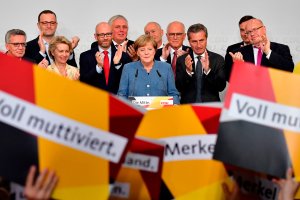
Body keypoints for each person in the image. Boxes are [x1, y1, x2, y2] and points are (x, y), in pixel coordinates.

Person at [117, 34, 180, 104]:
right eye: (142, 50)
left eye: (150, 49)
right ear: (137, 52)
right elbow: (122, 95)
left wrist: (175, 104)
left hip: (161, 112)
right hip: (136, 113)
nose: (146, 53)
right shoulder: (128, 68)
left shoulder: (166, 68)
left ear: (155, 51)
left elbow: (173, 93)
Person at [226, 18, 294, 81]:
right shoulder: (238, 53)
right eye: (248, 32)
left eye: (255, 29)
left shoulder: (281, 48)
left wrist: (268, 52)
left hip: (273, 92)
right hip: (248, 92)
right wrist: (239, 67)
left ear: (264, 29)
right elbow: (230, 80)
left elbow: (289, 69)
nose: (252, 34)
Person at [175, 23, 226, 104]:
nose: (198, 45)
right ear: (189, 42)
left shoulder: (218, 59)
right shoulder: (182, 60)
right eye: (194, 41)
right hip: (188, 109)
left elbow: (221, 87)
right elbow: (179, 88)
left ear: (206, 39)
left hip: (211, 109)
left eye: (201, 40)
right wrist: (188, 71)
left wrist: (208, 70)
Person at [80, 22, 131, 94]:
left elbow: (128, 82)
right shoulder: (85, 56)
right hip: (94, 100)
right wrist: (98, 67)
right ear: (95, 36)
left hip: (117, 101)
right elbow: (83, 82)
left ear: (112, 35)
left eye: (108, 34)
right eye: (101, 35)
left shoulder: (124, 56)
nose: (105, 38)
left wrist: (117, 64)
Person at [224, 15, 254, 81]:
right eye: (242, 30)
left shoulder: (264, 49)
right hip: (239, 89)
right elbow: (227, 76)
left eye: (248, 30)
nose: (245, 33)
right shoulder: (232, 49)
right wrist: (237, 67)